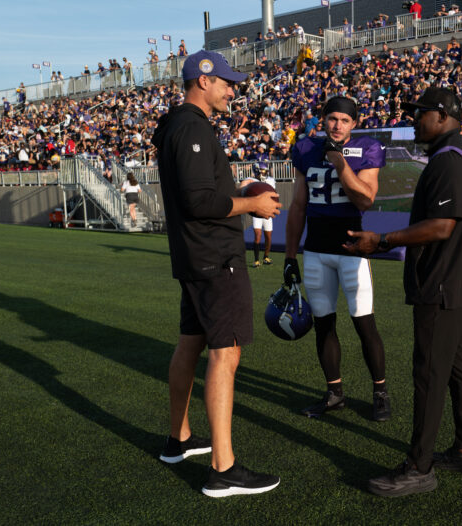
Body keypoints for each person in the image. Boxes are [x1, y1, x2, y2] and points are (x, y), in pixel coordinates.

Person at [344, 87, 462, 497]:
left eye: (420, 113)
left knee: (429, 373)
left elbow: (442, 226)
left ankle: (419, 466)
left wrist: (382, 240)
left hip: (442, 283)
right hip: (459, 281)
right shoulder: (456, 154)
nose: (413, 119)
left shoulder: (447, 159)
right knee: (459, 367)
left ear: (442, 115)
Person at [150, 50, 282, 498]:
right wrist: (253, 204)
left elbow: (203, 191)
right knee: (225, 354)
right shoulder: (192, 127)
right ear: (202, 81)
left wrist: (237, 190)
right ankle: (223, 469)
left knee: (191, 341)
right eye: (226, 82)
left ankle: (179, 438)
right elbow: (198, 202)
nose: (232, 89)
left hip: (195, 256)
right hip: (213, 257)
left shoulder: (178, 125)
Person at [284, 96, 392, 422]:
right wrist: (290, 256)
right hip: (316, 250)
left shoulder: (367, 149)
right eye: (332, 118)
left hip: (352, 251)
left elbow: (366, 199)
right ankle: (334, 393)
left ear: (354, 124)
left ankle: (380, 392)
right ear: (323, 119)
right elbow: (299, 206)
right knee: (324, 325)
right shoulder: (305, 149)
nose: (338, 125)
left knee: (364, 324)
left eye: (345, 120)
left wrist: (339, 162)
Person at [245, 162, 276, 267]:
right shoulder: (250, 180)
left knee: (268, 236)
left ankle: (266, 257)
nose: (264, 172)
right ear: (257, 170)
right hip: (256, 212)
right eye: (263, 170)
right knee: (257, 235)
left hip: (267, 211)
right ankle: (256, 260)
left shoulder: (270, 180)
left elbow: (273, 194)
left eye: (265, 170)